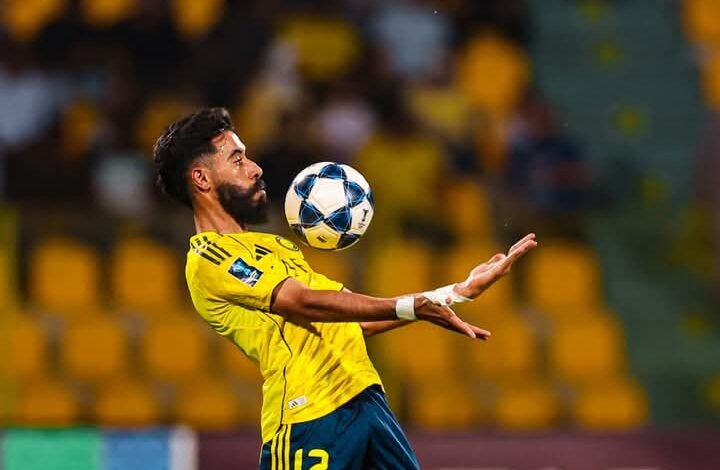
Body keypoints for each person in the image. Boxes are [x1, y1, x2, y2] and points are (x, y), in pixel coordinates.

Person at [153, 107, 537, 470]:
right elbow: (302, 303)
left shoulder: (275, 246)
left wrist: (457, 292)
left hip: (366, 400)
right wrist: (412, 307)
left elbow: (350, 318)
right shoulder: (209, 259)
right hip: (310, 418)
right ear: (201, 179)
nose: (255, 168)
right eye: (237, 159)